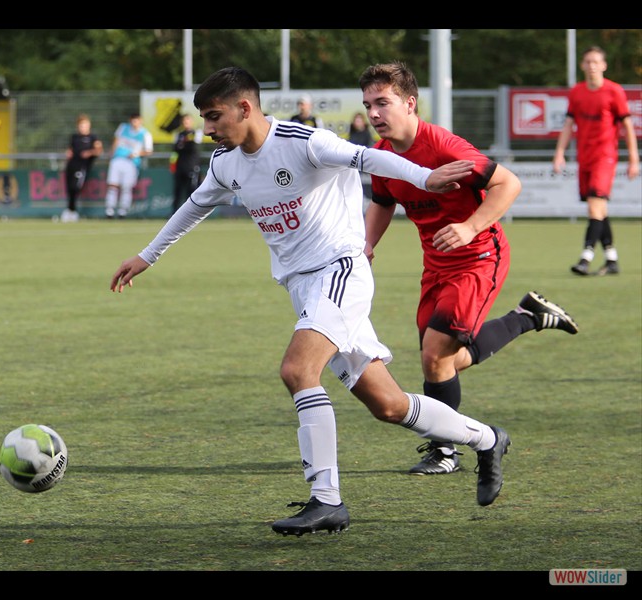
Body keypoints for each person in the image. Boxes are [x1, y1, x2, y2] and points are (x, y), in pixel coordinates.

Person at [110, 66, 512, 537]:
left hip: (339, 272)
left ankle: (327, 500)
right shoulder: (226, 164)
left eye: (214, 116)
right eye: (204, 118)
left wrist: (427, 177)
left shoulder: (304, 142)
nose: (208, 128)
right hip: (303, 288)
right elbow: (194, 207)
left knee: (298, 371)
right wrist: (147, 256)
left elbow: (367, 158)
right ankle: (487, 438)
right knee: (388, 405)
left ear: (245, 108)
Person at [359, 62, 579, 476]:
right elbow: (383, 203)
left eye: (382, 103)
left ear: (410, 103)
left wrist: (470, 227)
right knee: (442, 361)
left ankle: (445, 452)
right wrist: (367, 244)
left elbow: (508, 183)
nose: (373, 113)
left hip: (479, 257)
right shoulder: (382, 156)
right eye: (368, 104)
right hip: (435, 264)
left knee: (434, 354)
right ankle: (527, 316)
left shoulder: (445, 147)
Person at [552, 46, 639, 277]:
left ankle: (586, 257)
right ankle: (611, 259)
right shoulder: (577, 92)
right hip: (585, 157)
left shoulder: (614, 91)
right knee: (599, 209)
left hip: (605, 156)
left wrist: (633, 158)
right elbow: (569, 124)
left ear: (603, 65)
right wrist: (559, 152)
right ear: (582, 65)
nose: (592, 66)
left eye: (596, 62)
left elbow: (628, 125)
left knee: (594, 205)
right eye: (588, 62)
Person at [104, 113, 153, 219]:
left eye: (137, 120)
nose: (134, 123)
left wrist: (136, 154)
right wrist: (111, 156)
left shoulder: (145, 134)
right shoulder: (123, 128)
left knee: (126, 187)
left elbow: (148, 151)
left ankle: (123, 211)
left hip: (131, 163)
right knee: (113, 185)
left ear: (140, 121)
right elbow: (116, 141)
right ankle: (109, 210)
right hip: (117, 159)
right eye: (133, 120)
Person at [62, 113, 103, 223]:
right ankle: (70, 211)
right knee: (70, 189)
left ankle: (72, 211)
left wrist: (89, 153)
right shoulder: (74, 137)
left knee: (75, 187)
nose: (83, 128)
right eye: (81, 125)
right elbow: (70, 149)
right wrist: (68, 153)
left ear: (89, 125)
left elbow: (99, 151)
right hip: (71, 165)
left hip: (82, 167)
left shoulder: (93, 138)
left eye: (85, 125)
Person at [170, 114, 203, 215]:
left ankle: (191, 213)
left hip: (192, 166)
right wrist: (185, 144)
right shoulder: (178, 134)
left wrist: (184, 145)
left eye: (188, 120)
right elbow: (176, 149)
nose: (186, 122)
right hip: (180, 166)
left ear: (191, 121)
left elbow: (193, 148)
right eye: (184, 121)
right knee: (178, 191)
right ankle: (174, 213)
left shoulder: (196, 133)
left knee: (191, 190)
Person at [348, 112, 376, 201]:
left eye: (359, 121)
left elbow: (369, 149)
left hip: (363, 167)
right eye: (356, 121)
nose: (357, 123)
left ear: (363, 122)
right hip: (353, 165)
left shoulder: (367, 134)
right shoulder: (352, 134)